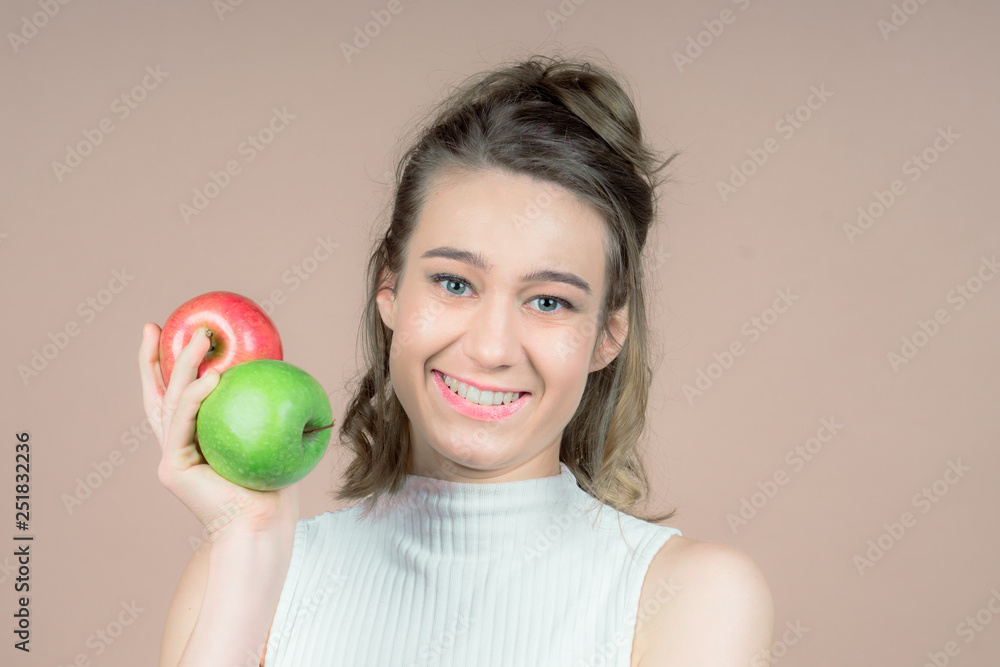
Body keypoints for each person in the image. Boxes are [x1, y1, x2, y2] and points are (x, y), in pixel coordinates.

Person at [139, 51, 774, 667]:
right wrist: (249, 547)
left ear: (608, 334)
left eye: (549, 301)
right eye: (454, 283)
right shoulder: (240, 574)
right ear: (389, 288)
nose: (491, 348)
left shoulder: (693, 598)